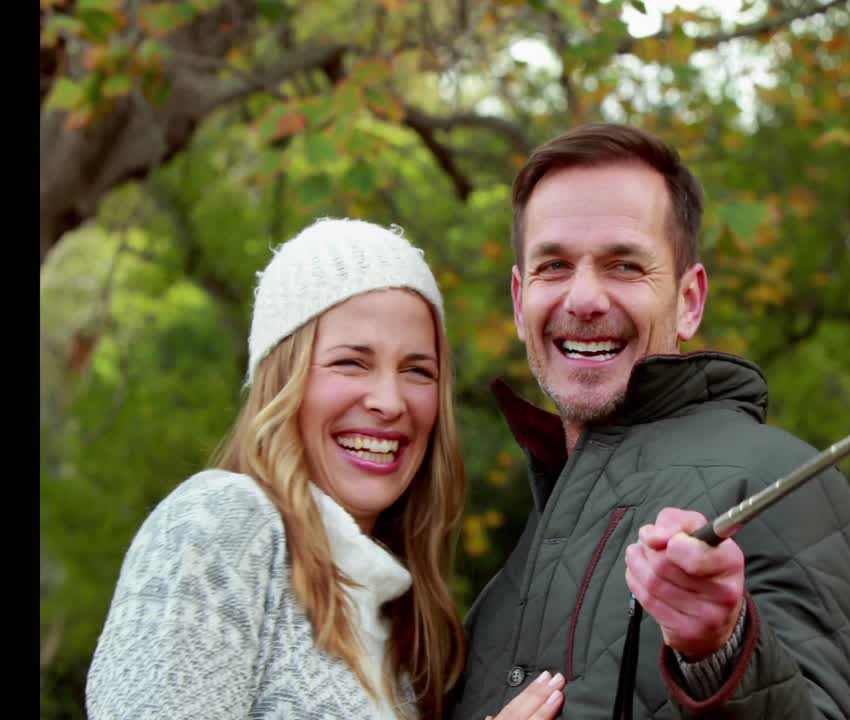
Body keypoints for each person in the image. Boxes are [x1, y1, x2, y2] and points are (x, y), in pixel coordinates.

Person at [448, 124, 850, 719]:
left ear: (689, 301)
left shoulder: (783, 484)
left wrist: (721, 650)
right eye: (554, 266)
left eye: (624, 266)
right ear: (520, 302)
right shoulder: (509, 582)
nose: (583, 299)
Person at [85, 218, 565, 720]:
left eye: (417, 371)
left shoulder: (405, 626)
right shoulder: (220, 523)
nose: (389, 401)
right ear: (282, 379)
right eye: (351, 362)